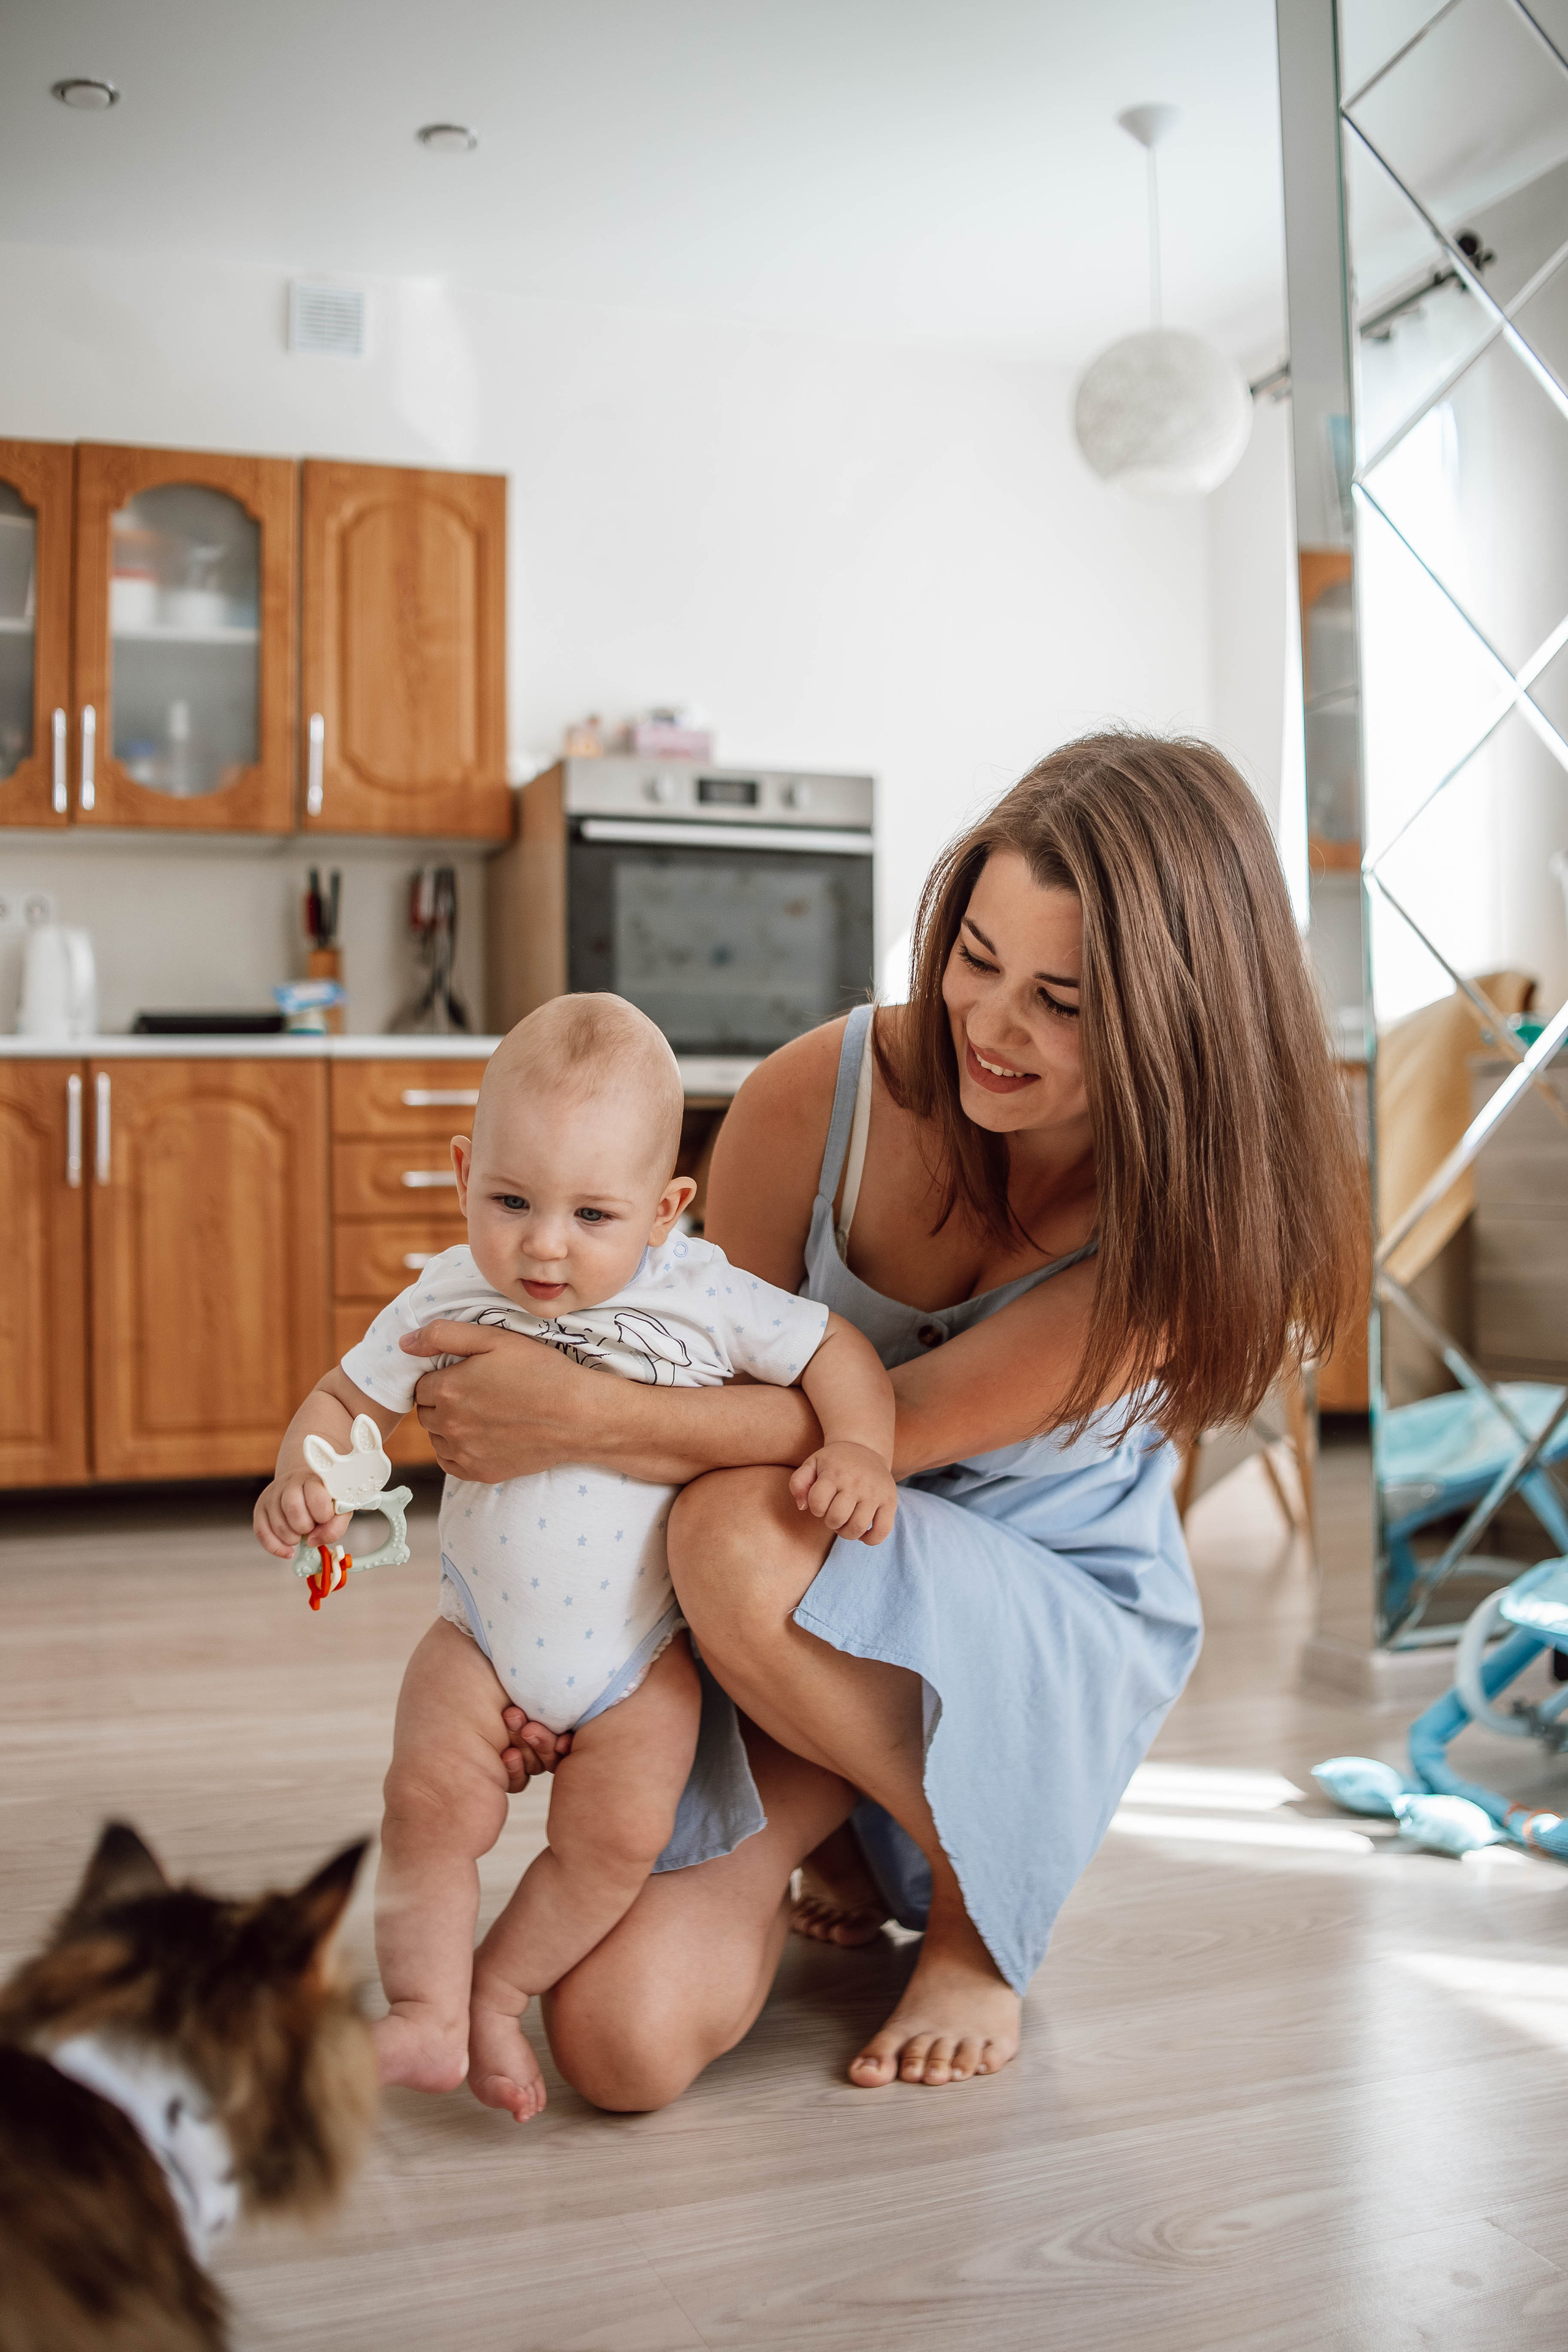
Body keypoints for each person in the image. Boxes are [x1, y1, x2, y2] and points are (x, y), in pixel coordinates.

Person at [396, 733, 1363, 2105]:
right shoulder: (821, 1096)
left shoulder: (1167, 1243)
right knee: (616, 2047)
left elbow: (861, 1437)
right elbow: (705, 1393)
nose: (989, 1025)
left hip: (1025, 1620)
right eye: (973, 958)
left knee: (739, 1525)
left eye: (1060, 1001)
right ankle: (840, 1826)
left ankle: (979, 1913)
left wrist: (573, 1414)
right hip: (790, 1606)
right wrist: (562, 1670)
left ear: (1175, 1024)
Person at [253, 995, 897, 2121]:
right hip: (479, 1642)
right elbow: (348, 1396)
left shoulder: (702, 1293)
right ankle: (422, 2009)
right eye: (511, 1201)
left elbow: (834, 1346)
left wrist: (860, 1447)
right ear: (465, 1174)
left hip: (639, 1666)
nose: (543, 1244)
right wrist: (300, 1475)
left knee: (612, 1844)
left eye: (593, 1213)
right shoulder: (449, 1286)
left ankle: (500, 1992)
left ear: (665, 1209)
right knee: (424, 1808)